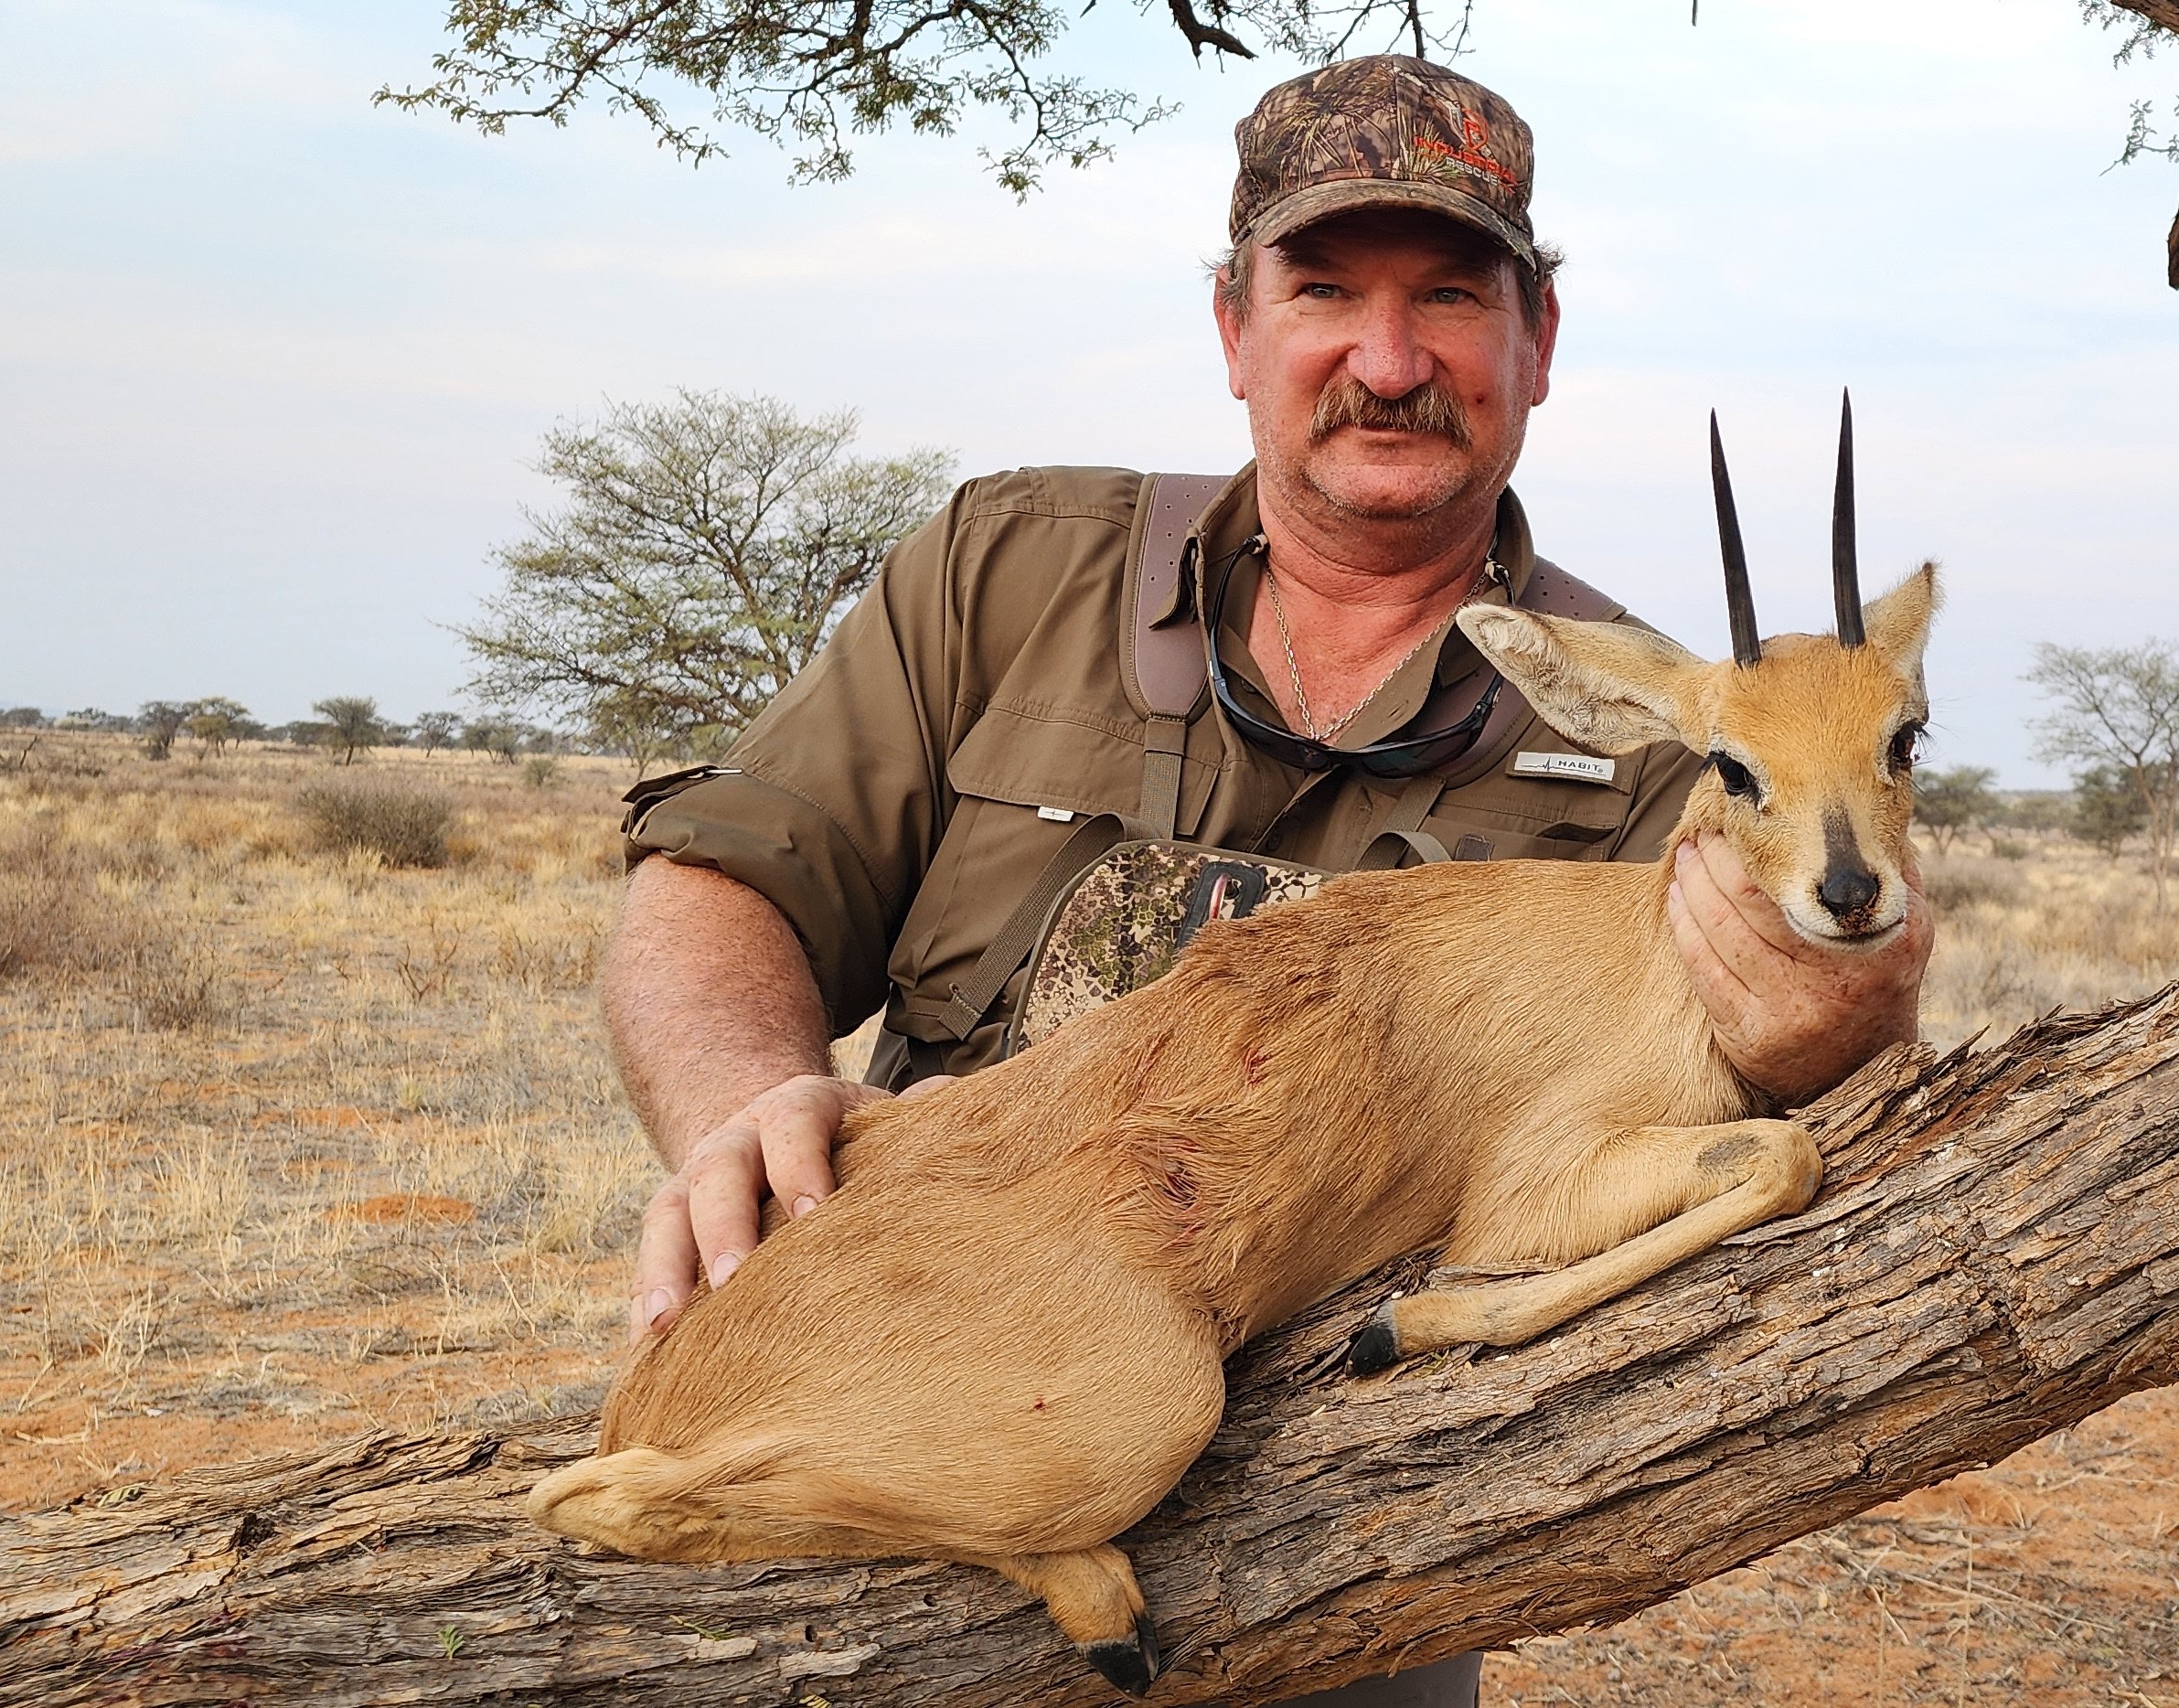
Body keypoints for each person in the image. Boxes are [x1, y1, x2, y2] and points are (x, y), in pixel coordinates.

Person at [595, 53, 1928, 1708]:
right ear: (1234, 323)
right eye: (1323, 290)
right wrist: (744, 1094)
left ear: (1537, 345)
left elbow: (1787, 1036)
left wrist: (1841, 1010)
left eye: (1450, 293)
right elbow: (731, 870)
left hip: (1331, 1566)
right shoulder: (1005, 566)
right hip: (939, 1372)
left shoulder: (1688, 747)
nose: (1388, 359)